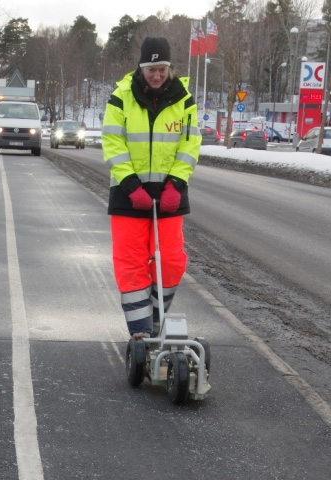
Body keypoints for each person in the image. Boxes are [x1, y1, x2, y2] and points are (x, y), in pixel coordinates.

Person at [102, 37, 201, 338]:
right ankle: (140, 332)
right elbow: (113, 144)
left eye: (161, 69)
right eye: (150, 69)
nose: (156, 75)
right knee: (131, 262)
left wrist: (176, 184)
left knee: (170, 261)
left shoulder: (184, 100)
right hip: (129, 197)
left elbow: (190, 144)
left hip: (170, 197)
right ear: (141, 68)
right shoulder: (121, 97)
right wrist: (132, 186)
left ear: (169, 68)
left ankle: (156, 321)